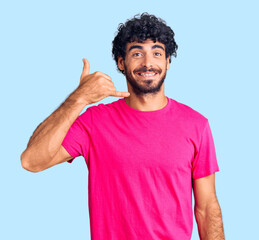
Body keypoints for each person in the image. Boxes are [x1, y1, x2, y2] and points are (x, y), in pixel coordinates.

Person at [21, 12, 224, 240]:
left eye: (157, 53)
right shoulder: (94, 121)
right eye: (137, 53)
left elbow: (207, 209)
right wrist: (78, 99)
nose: (148, 63)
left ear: (167, 61)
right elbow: (32, 161)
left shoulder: (196, 125)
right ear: (121, 62)